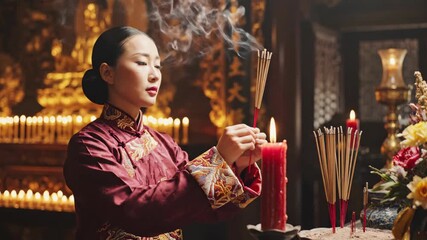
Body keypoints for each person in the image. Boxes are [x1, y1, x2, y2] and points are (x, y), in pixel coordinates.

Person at [63, 26, 267, 240]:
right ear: (108, 73)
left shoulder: (164, 144)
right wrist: (217, 160)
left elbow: (202, 207)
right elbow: (135, 212)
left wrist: (236, 167)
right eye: (142, 63)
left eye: (158, 66)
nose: (154, 75)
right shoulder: (89, 145)